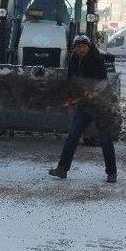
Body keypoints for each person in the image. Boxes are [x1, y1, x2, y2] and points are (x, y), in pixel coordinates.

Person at [49, 35, 118, 183]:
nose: (81, 49)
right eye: (79, 47)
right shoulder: (73, 60)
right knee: (73, 135)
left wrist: (92, 91)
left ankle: (112, 172)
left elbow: (102, 82)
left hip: (100, 105)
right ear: (75, 48)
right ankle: (62, 169)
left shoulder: (96, 60)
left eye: (84, 47)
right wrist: (70, 95)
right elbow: (71, 80)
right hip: (84, 105)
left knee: (105, 139)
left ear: (89, 46)